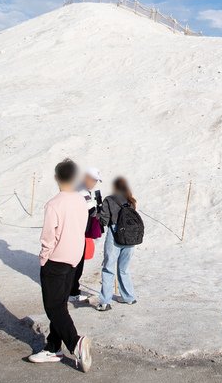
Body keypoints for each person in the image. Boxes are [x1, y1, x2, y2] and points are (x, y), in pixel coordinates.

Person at [28, 158, 92, 370]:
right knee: (60, 305)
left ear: (56, 177)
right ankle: (53, 346)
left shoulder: (54, 204)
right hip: (73, 259)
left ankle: (75, 342)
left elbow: (48, 237)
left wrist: (44, 257)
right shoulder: (81, 202)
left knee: (53, 306)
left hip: (55, 260)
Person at [96, 176, 140, 312]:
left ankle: (105, 302)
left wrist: (99, 212)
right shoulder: (131, 201)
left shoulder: (109, 200)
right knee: (124, 268)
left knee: (108, 268)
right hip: (130, 237)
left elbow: (104, 221)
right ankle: (129, 297)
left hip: (114, 233)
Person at [69, 167, 104, 304]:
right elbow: (91, 212)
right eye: (93, 180)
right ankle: (73, 292)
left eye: (96, 181)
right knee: (77, 263)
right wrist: (101, 213)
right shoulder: (82, 191)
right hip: (78, 232)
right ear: (86, 178)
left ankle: (71, 290)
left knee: (77, 262)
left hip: (78, 231)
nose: (94, 183)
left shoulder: (79, 189)